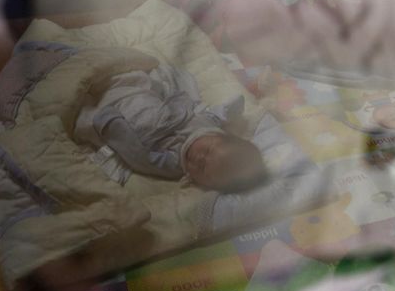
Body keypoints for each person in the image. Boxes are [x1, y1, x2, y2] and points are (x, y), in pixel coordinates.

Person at [74, 63, 268, 193]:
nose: (198, 158)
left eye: (201, 168)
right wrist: (227, 111)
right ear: (222, 136)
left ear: (204, 184)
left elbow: (140, 157)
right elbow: (211, 116)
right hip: (153, 99)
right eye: (208, 150)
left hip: (123, 114)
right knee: (137, 77)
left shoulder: (175, 164)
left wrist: (113, 125)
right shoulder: (209, 127)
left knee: (88, 93)